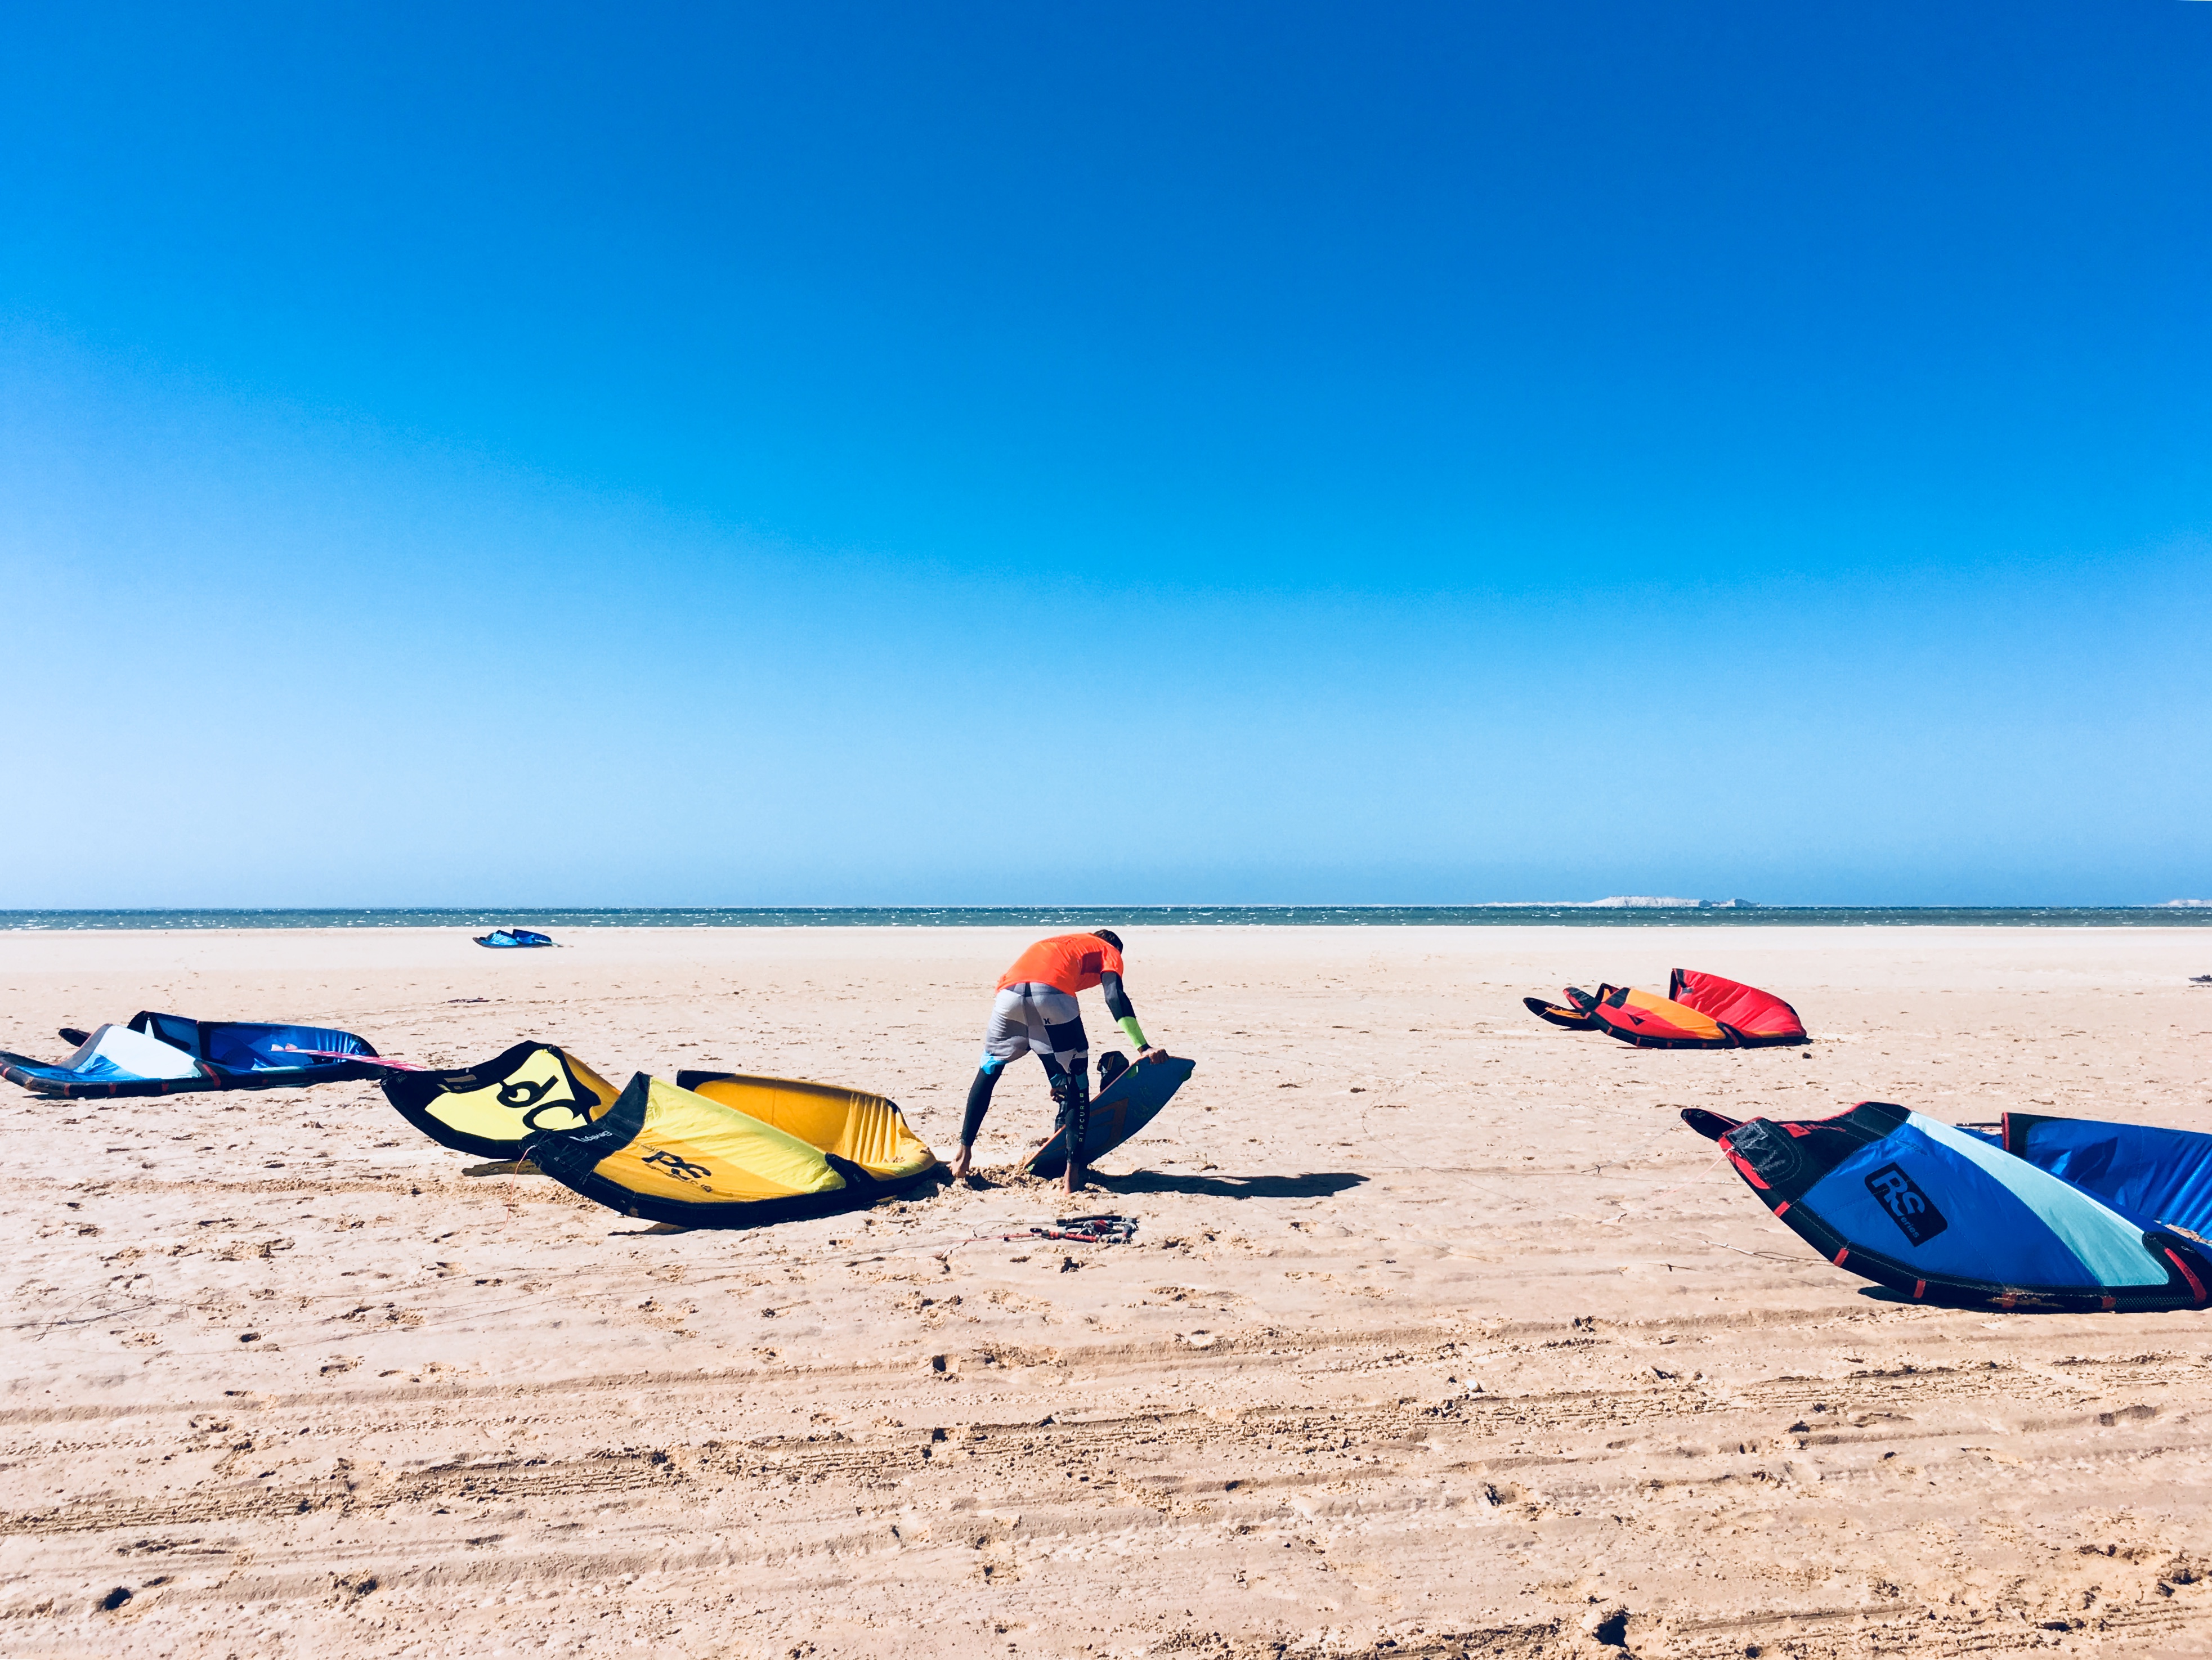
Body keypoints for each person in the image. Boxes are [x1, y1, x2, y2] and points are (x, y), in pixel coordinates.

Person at [947, 928, 1168, 1194]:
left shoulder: (1057, 944)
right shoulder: (1108, 950)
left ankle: (962, 1156)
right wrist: (1143, 1046)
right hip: (1052, 994)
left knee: (990, 1067)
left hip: (1008, 995)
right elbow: (1114, 995)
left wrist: (1055, 1075)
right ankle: (1071, 1178)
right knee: (1078, 1082)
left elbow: (1036, 1027)